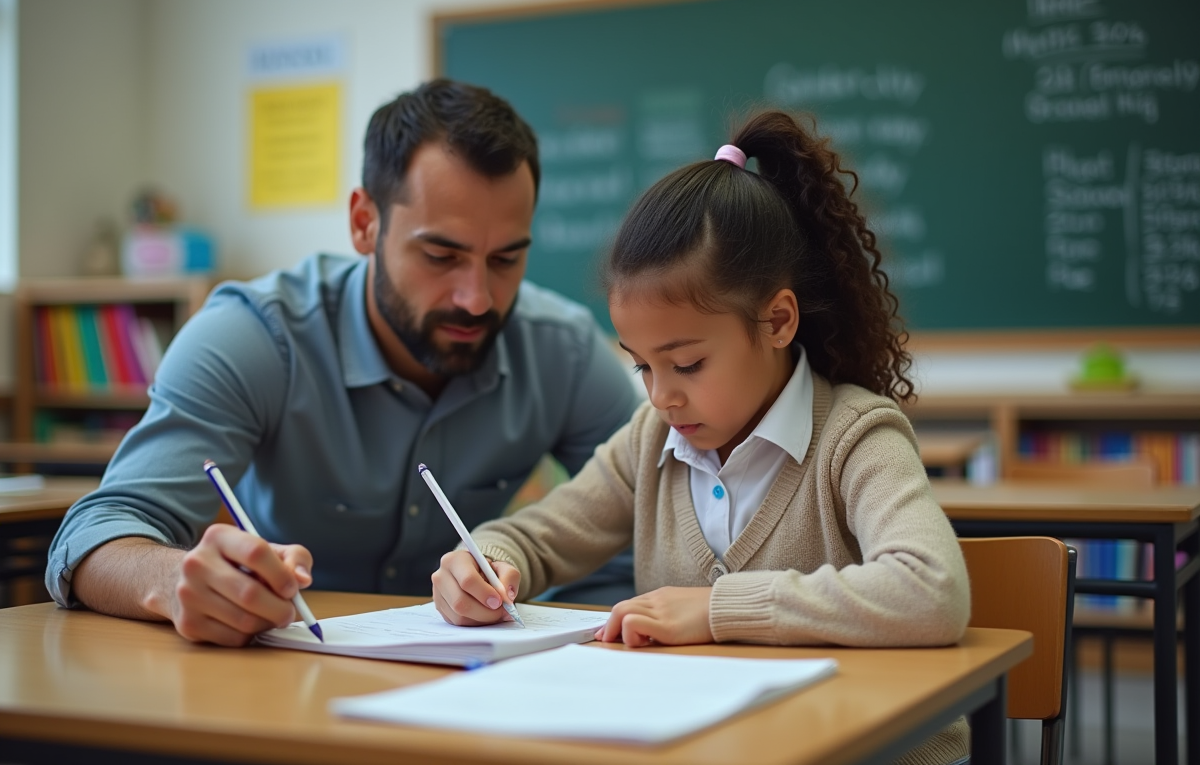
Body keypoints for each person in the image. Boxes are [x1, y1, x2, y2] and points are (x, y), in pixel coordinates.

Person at [432, 110, 972, 765]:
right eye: (642, 365)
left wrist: (719, 609)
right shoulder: (652, 441)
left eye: (686, 363)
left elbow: (932, 592)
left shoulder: (856, 440)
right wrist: (483, 561)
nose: (661, 395)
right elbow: (535, 536)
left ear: (776, 321)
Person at [46, 79, 641, 647]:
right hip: (282, 681)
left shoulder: (559, 349)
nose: (478, 298)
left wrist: (573, 636)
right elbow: (95, 535)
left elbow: (652, 512)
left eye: (506, 260)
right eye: (441, 255)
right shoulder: (251, 337)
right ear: (364, 223)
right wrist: (176, 583)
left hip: (477, 684)